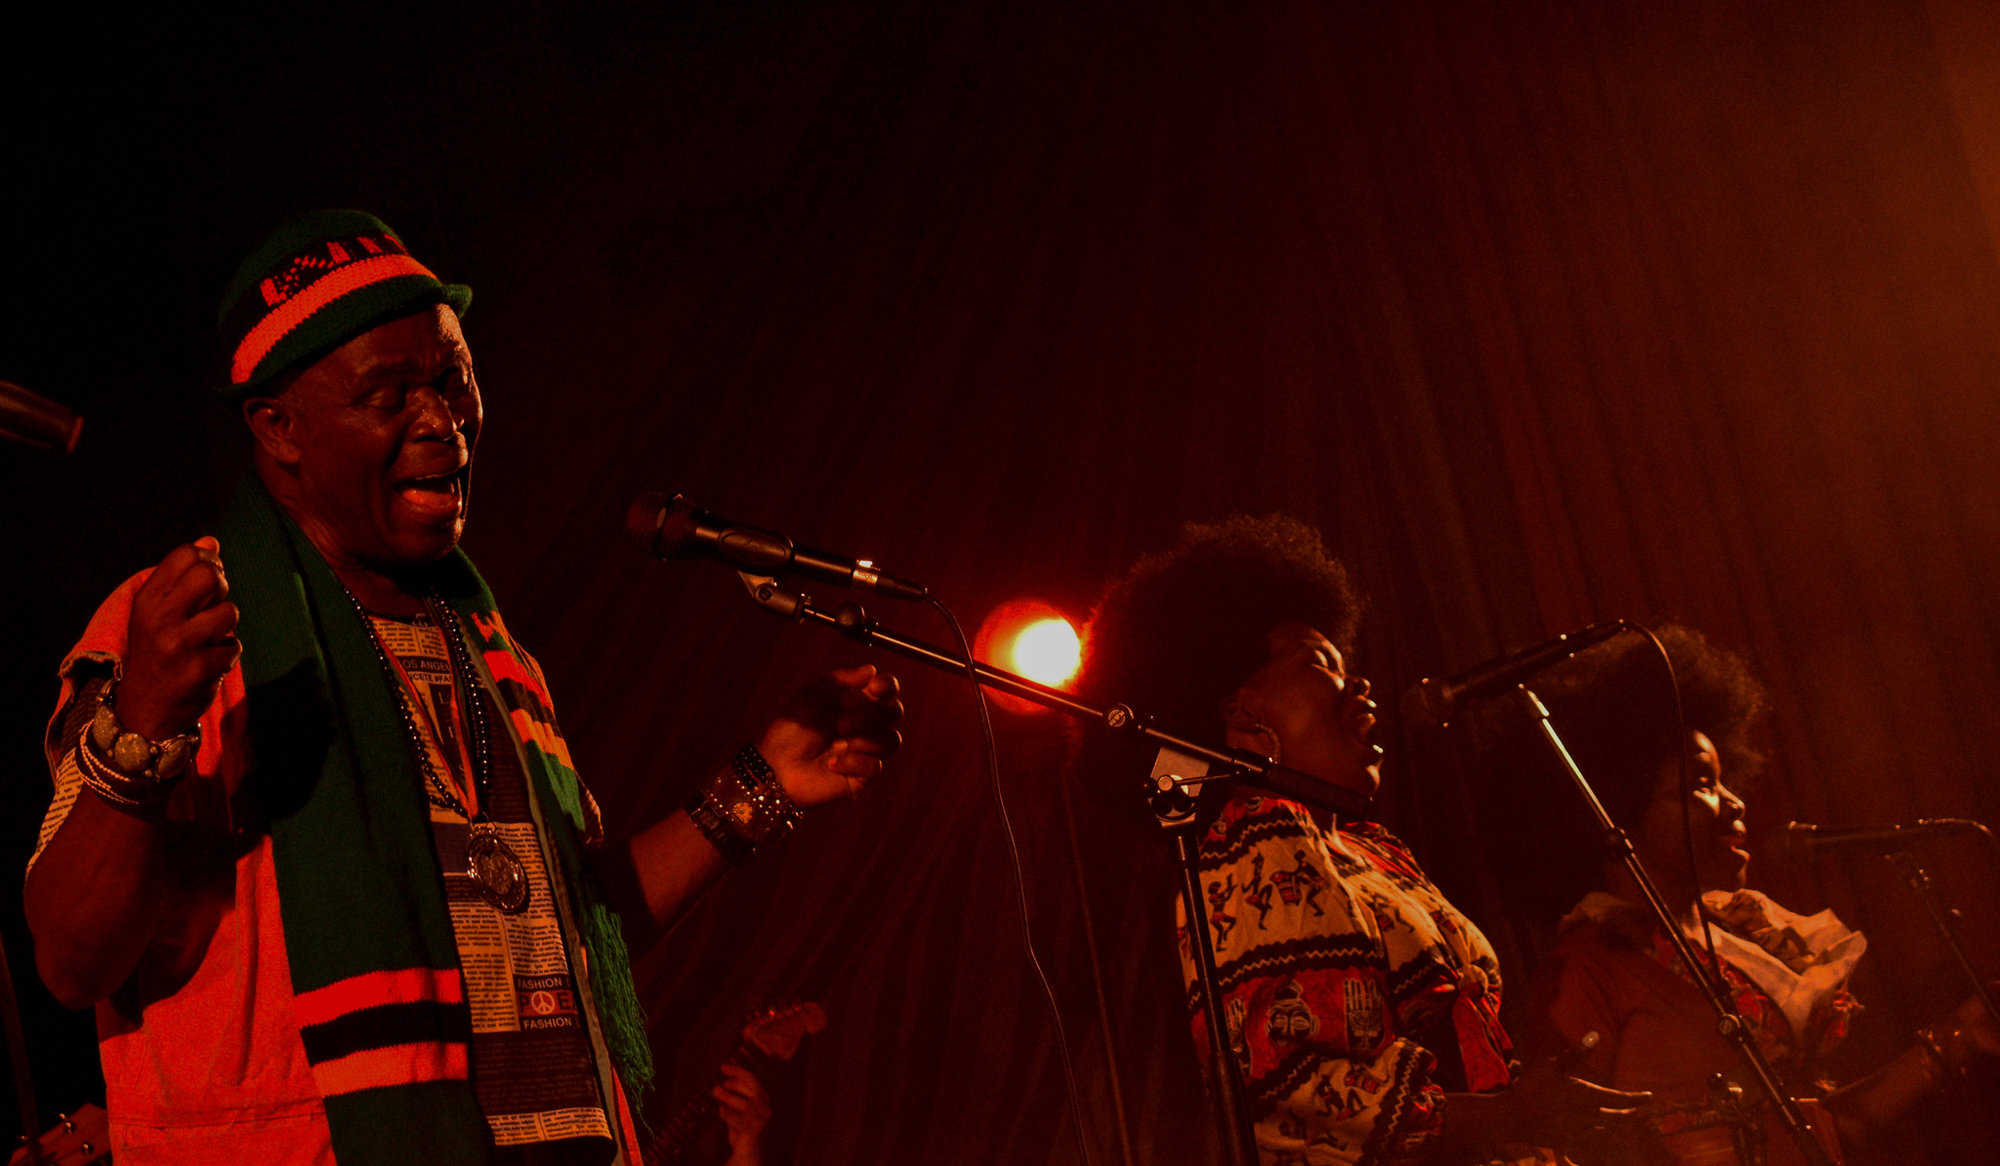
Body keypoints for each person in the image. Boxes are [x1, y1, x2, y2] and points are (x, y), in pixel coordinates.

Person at [22, 210, 904, 1165]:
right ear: (279, 429)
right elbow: (72, 963)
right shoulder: (185, 629)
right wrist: (144, 722)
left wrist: (760, 785)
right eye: (389, 394)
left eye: (452, 380)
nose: (441, 420)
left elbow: (573, 930)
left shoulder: (491, 650)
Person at [1070, 514, 1642, 1166]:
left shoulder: (1370, 850)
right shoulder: (1257, 842)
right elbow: (1294, 1097)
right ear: (1242, 717)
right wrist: (1514, 1115)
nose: (1360, 685)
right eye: (1319, 663)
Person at [1516, 625, 1998, 1165]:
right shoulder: (1586, 972)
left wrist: (1961, 1035)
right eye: (1702, 783)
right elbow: (1558, 1145)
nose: (1735, 802)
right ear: (1618, 814)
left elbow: (1820, 1132)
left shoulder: (1733, 942)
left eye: (1724, 780)